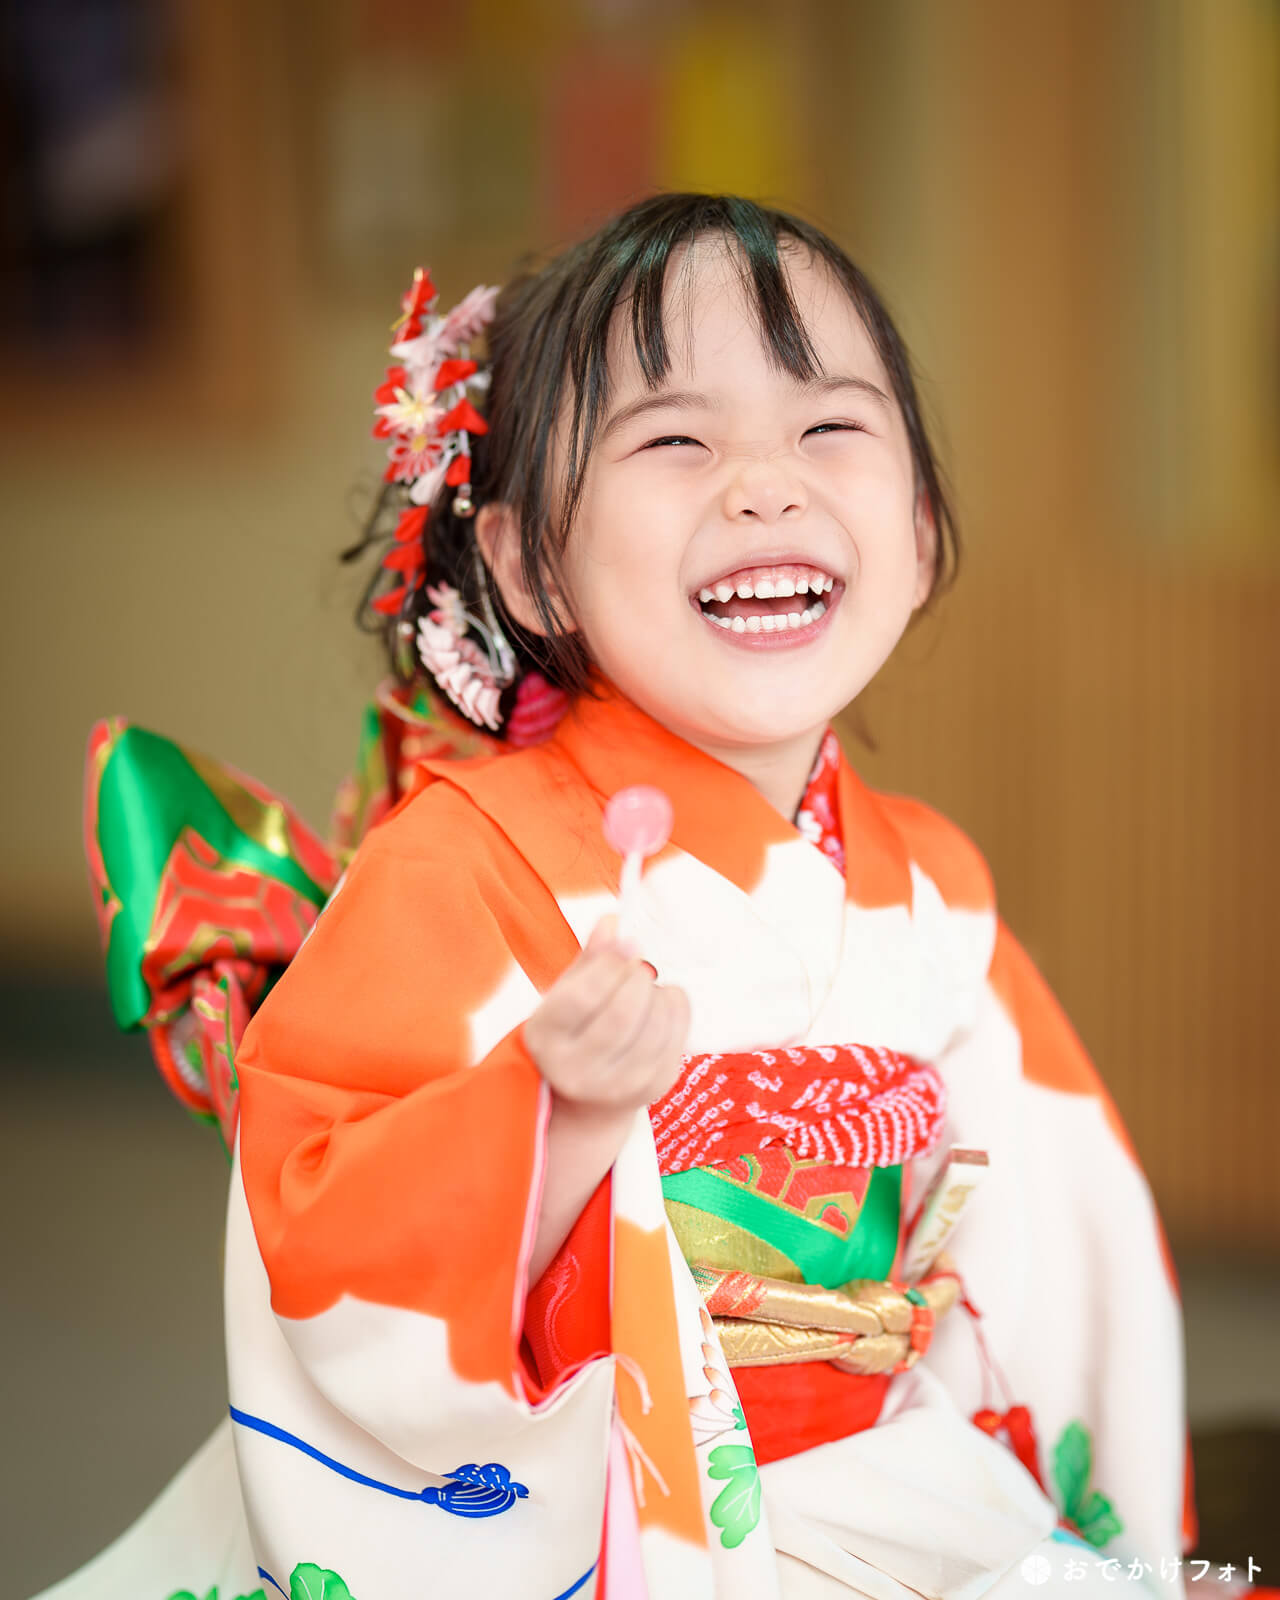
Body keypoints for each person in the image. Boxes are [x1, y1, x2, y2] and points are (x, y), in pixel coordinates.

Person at [53, 194, 1190, 1600]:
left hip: (888, 1474)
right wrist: (547, 1111)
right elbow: (316, 1221)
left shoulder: (937, 890)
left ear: (923, 528)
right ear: (533, 566)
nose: (766, 483)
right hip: (592, 1503)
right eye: (675, 438)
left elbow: (1057, 1238)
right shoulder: (460, 867)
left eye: (829, 427)